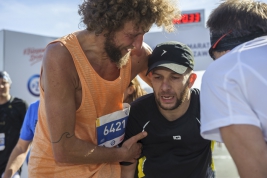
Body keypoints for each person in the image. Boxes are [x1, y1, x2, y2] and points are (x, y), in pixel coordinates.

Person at [28, 0, 181, 177]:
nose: (138, 44)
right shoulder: (62, 56)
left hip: (108, 172)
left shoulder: (137, 55)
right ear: (106, 25)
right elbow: (64, 149)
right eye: (132, 35)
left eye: (143, 34)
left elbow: (173, 92)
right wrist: (122, 154)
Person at [121, 41, 215, 178]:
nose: (165, 87)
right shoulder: (137, 113)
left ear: (191, 80)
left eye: (175, 77)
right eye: (158, 77)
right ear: (151, 79)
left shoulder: (207, 105)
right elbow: (127, 168)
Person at [200, 0, 267, 177]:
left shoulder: (223, 70)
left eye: (215, 58)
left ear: (221, 46)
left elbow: (256, 171)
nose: (215, 63)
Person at [0, 71, 28, 177]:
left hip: (11, 166)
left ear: (10, 85)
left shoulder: (20, 106)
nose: (1, 86)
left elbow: (30, 135)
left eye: (4, 82)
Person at [2, 100, 39, 178]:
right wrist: (7, 175)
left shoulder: (70, 105)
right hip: (38, 173)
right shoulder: (34, 108)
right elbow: (21, 148)